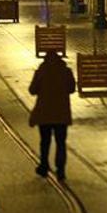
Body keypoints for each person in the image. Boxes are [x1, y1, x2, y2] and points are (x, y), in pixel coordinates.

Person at [28, 51, 76, 180]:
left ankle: (44, 166)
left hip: (45, 113)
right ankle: (61, 170)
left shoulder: (41, 71)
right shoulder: (66, 72)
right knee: (61, 142)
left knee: (45, 141)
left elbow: (32, 90)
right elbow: (72, 89)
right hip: (61, 113)